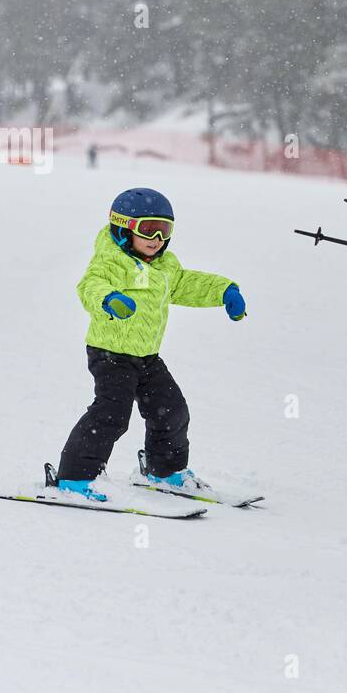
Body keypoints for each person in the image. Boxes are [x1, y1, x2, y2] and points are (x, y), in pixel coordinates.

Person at [53, 187, 247, 501]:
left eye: (164, 229)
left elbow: (187, 284)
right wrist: (109, 299)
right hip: (110, 352)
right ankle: (73, 479)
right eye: (147, 229)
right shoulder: (111, 262)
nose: (156, 237)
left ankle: (164, 471)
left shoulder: (164, 266)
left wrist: (224, 291)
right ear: (123, 228)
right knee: (111, 415)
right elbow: (90, 285)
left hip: (147, 355)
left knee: (171, 410)